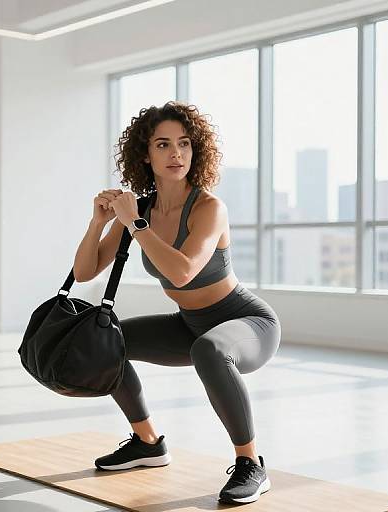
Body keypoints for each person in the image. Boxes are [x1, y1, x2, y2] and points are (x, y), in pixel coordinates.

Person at [73, 101, 281, 504]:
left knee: (210, 349)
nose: (176, 154)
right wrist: (99, 221)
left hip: (246, 322)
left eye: (184, 144)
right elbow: (84, 273)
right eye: (163, 144)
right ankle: (148, 443)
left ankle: (251, 464)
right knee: (110, 342)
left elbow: (183, 271)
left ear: (195, 150)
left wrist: (134, 223)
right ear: (145, 154)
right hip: (189, 321)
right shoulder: (143, 209)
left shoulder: (208, 208)